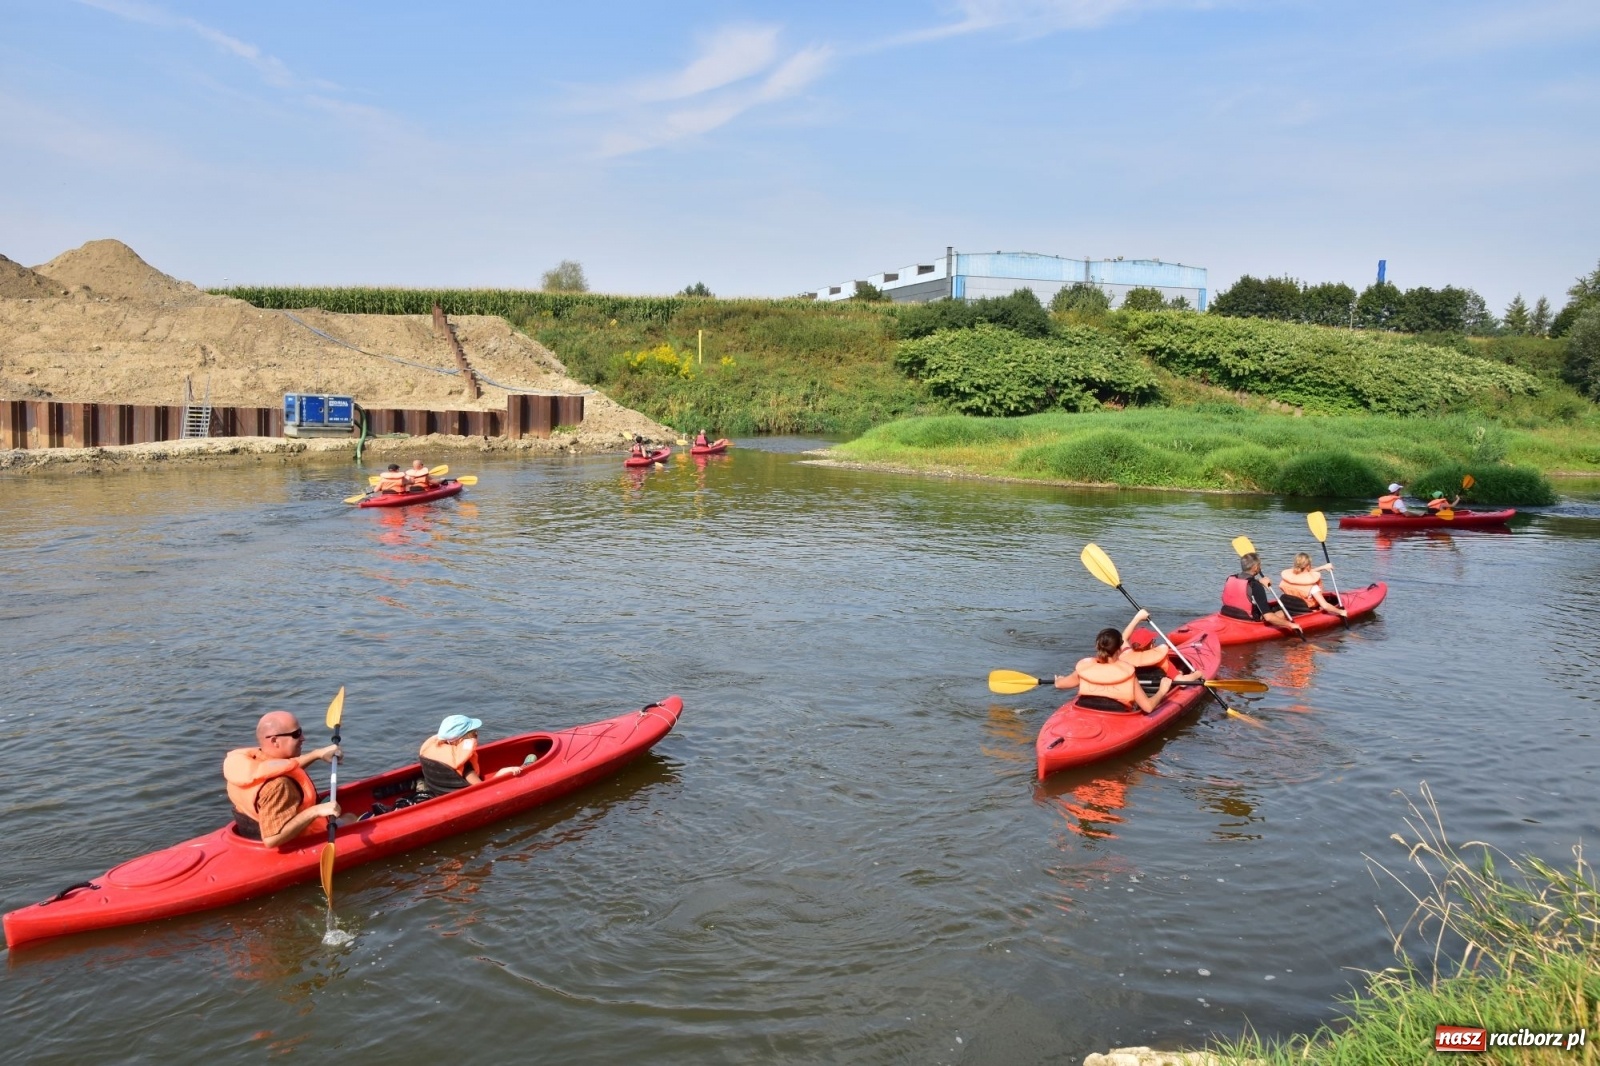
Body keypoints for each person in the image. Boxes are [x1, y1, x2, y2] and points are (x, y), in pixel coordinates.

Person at [224, 711, 350, 848]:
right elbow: (271, 839)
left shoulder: (249, 762)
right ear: (274, 741)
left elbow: (285, 767)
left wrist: (317, 754)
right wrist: (315, 811)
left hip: (250, 833)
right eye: (296, 734)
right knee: (351, 817)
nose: (303, 738)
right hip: (296, 841)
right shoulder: (280, 786)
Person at [1053, 613, 1200, 714]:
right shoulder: (1128, 672)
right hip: (1117, 714)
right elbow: (1148, 707)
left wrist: (1058, 679)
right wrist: (1163, 690)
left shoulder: (1085, 668)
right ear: (1118, 649)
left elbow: (1059, 685)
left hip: (1085, 710)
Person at [418, 714, 524, 795]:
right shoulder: (465, 765)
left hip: (438, 790)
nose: (476, 734)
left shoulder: (435, 752)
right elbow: (483, 789)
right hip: (459, 798)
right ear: (458, 740)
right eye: (474, 733)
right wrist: (502, 772)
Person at [1220, 552, 1299, 632]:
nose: (1260, 567)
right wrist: (1290, 625)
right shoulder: (1256, 586)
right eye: (1259, 565)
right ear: (1255, 567)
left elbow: (1244, 584)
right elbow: (1268, 617)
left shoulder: (1230, 578)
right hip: (1247, 621)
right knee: (1285, 612)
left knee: (1273, 606)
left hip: (1227, 614)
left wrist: (1259, 581)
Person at [1278, 552, 1347, 617]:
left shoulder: (1287, 580)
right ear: (1308, 566)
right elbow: (1325, 606)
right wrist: (1341, 612)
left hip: (1289, 608)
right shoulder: (1313, 588)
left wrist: (1323, 567)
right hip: (1305, 612)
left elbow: (1303, 573)